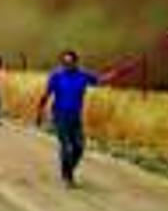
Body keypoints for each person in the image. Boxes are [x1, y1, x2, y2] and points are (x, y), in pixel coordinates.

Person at [37, 49, 117, 188]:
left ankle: (67, 169)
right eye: (65, 62)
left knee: (79, 147)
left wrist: (113, 75)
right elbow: (46, 94)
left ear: (75, 62)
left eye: (70, 62)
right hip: (60, 116)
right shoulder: (56, 76)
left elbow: (99, 80)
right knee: (67, 147)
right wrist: (39, 112)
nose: (67, 65)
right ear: (62, 63)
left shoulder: (83, 75)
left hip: (75, 117)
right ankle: (68, 176)